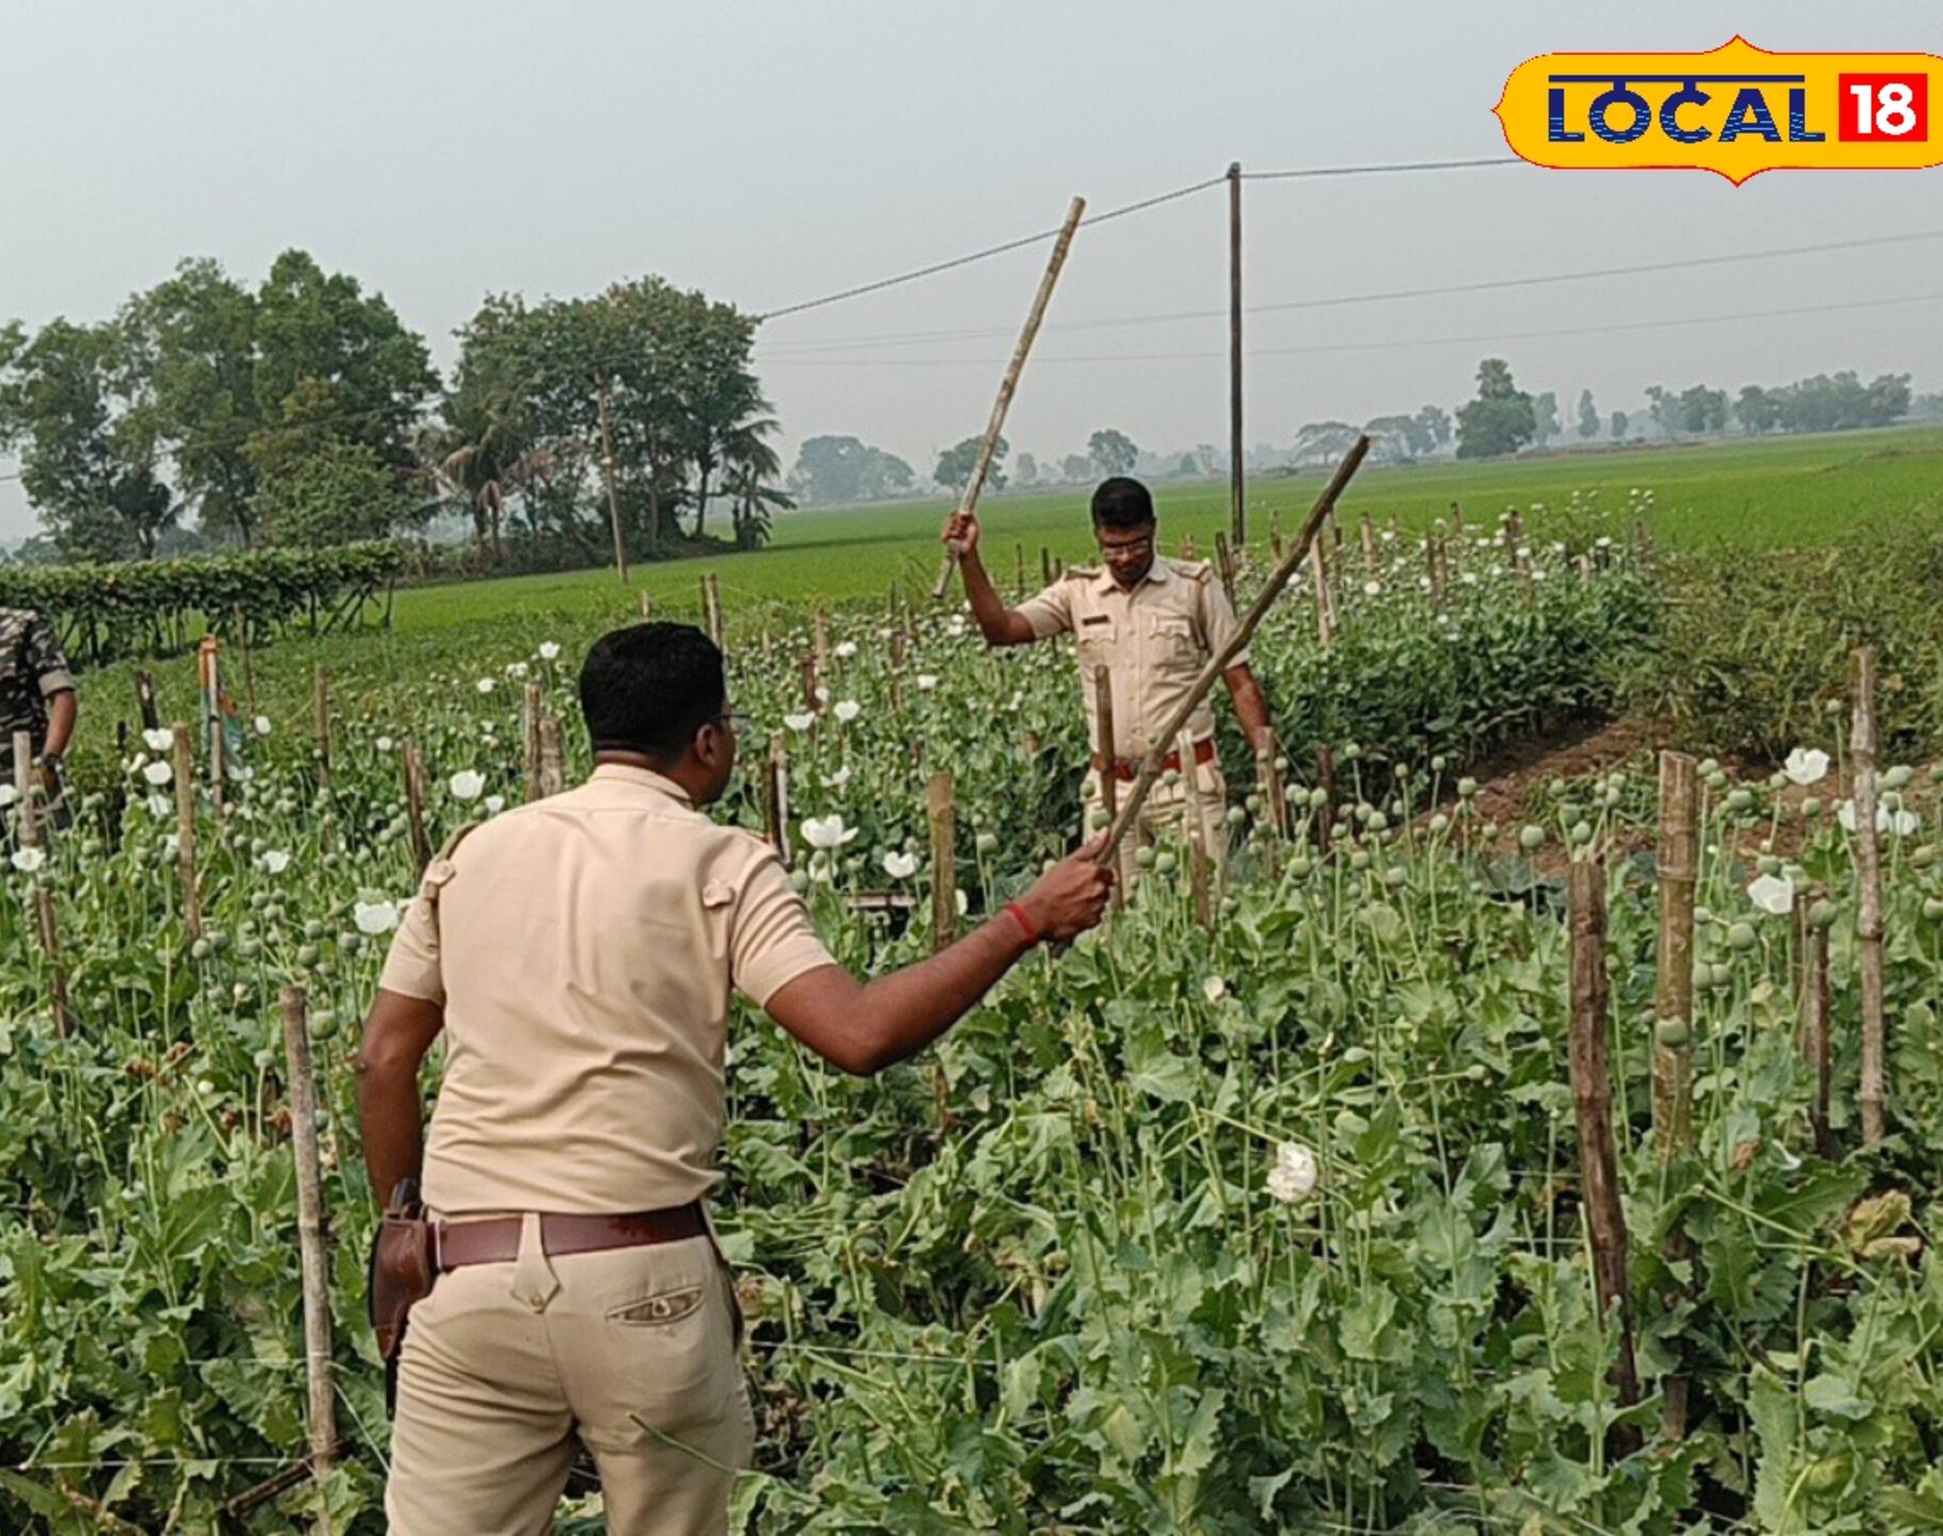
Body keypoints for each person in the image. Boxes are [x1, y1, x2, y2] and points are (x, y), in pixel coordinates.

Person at [356, 622, 1113, 1536]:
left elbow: (384, 1060)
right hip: (641, 1283)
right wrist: (1024, 919)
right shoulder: (718, 859)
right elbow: (860, 1035)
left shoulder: (471, 853)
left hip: (461, 1280)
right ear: (710, 742)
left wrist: (402, 1232)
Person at [943, 476, 1275, 888]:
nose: (1124, 558)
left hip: (1186, 783)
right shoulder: (1077, 593)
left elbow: (1239, 680)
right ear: (1097, 536)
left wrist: (1267, 762)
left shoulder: (1194, 589)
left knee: (1203, 912)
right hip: (1109, 792)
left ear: (1153, 528)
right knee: (1114, 925)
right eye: (1113, 547)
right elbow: (1002, 629)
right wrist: (968, 559)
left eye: (1136, 544)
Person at [0, 567, 78, 832]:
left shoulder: (21, 628)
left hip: (27, 790)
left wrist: (48, 765)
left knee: (46, 866)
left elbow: (62, 696)